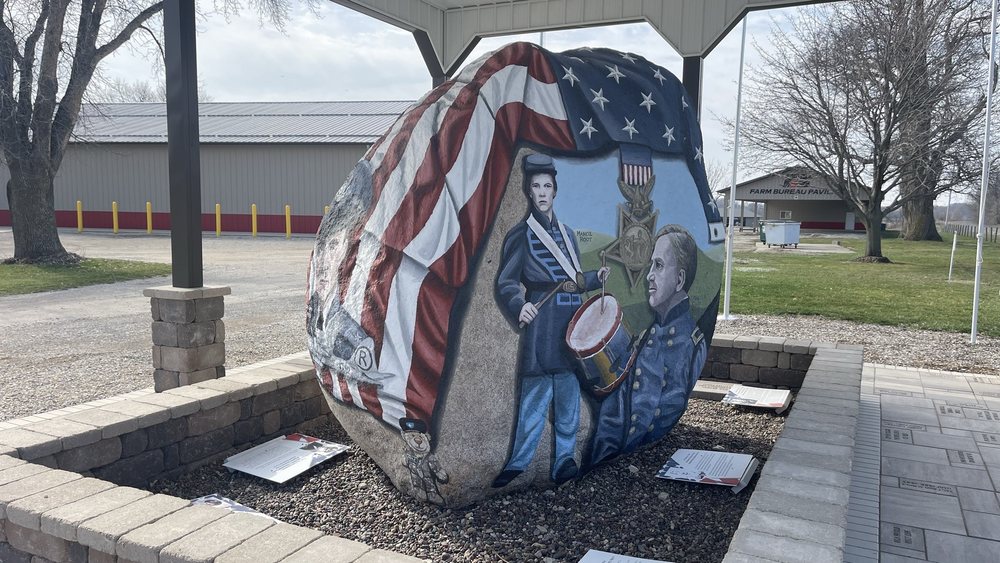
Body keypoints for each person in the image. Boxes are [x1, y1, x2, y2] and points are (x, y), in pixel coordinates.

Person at [492, 153, 609, 487]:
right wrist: (519, 305)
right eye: (536, 186)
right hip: (543, 321)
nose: (542, 192)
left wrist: (594, 277)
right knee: (536, 391)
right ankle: (518, 462)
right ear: (529, 191)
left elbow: (573, 279)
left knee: (568, 391)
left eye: (547, 186)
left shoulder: (568, 234)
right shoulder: (521, 234)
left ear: (555, 191)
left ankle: (564, 461)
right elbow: (506, 282)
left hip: (571, 320)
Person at [588, 224, 707, 466]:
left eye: (658, 265)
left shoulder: (693, 346)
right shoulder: (645, 338)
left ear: (679, 280)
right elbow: (616, 410)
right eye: (651, 265)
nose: (649, 275)